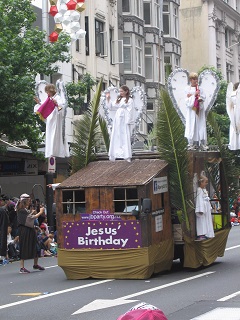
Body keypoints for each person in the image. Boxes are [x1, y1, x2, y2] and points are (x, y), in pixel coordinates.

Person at [34, 83, 70, 158]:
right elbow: (44, 107)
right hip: (50, 119)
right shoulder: (48, 99)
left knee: (55, 135)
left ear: (51, 91)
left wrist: (56, 103)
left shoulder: (58, 97)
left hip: (56, 119)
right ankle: (50, 152)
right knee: (50, 136)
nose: (47, 93)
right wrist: (39, 103)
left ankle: (55, 151)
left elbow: (61, 106)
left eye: (48, 91)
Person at [16, 193, 46, 274]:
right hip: (25, 231)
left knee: (36, 246)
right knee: (24, 246)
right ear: (25, 201)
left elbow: (28, 217)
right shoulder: (21, 210)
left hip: (30, 230)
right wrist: (40, 212)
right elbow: (29, 219)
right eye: (28, 201)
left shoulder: (24, 210)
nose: (29, 202)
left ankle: (35, 264)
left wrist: (32, 212)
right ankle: (21, 267)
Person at [106, 85, 134, 162]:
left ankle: (126, 154)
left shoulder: (129, 100)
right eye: (120, 91)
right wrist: (108, 99)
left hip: (124, 118)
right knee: (116, 134)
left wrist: (128, 121)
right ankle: (115, 153)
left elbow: (130, 110)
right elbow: (111, 107)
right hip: (118, 118)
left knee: (124, 134)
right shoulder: (118, 99)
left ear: (126, 91)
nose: (120, 93)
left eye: (122, 91)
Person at [184, 72, 207, 150]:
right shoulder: (187, 89)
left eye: (196, 79)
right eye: (193, 79)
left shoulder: (201, 89)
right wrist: (194, 95)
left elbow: (203, 98)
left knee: (200, 125)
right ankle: (191, 143)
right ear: (190, 80)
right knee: (191, 126)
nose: (195, 80)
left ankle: (201, 143)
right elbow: (187, 102)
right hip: (191, 111)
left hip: (199, 111)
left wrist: (198, 96)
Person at [195, 174, 215, 240]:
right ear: (201, 182)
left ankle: (207, 233)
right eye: (205, 182)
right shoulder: (199, 190)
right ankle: (201, 234)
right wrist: (200, 209)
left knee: (206, 220)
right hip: (203, 208)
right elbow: (199, 200)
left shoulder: (204, 189)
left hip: (206, 208)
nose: (206, 184)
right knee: (202, 220)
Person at [226, 82, 240, 150]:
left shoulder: (233, 94)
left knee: (235, 127)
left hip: (234, 111)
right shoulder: (234, 94)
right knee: (235, 126)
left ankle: (236, 145)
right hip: (235, 111)